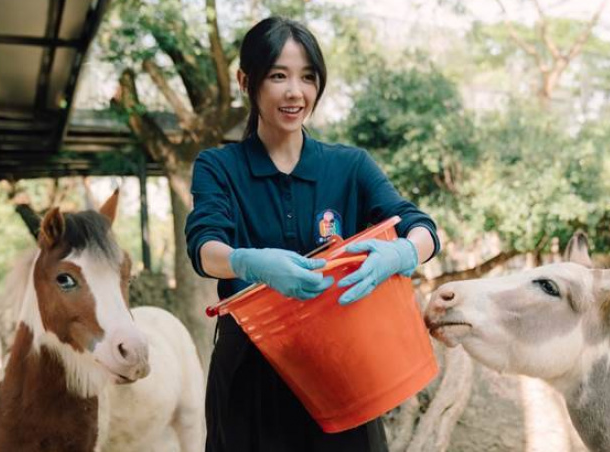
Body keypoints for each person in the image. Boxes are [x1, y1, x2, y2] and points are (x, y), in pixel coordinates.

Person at [185, 16, 440, 452]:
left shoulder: (349, 166)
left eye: (307, 77)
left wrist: (400, 254)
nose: (294, 92)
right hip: (250, 379)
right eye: (277, 76)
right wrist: (248, 261)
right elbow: (204, 247)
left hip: (343, 379)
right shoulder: (218, 166)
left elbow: (423, 229)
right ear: (246, 81)